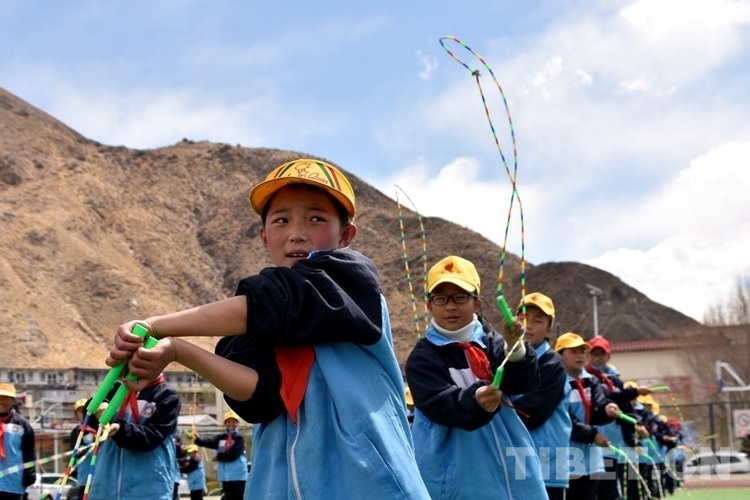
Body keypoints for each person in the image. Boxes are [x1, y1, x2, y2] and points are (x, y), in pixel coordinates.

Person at [105, 159, 430, 499]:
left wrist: (154, 325)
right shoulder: (257, 319)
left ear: (346, 236)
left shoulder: (352, 282)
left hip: (369, 486)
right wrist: (176, 350)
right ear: (264, 236)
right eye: (281, 220)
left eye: (316, 218)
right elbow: (260, 396)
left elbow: (278, 301)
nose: (297, 232)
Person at [405, 255, 546, 499]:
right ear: (429, 305)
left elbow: (525, 381)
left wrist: (515, 348)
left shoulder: (495, 344)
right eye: (440, 298)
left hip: (513, 466)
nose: (450, 306)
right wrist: (476, 400)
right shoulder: (423, 357)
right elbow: (438, 404)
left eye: (460, 297)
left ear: (477, 303)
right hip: (458, 475)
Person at [509, 292, 572, 500]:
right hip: (516, 459)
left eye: (538, 321)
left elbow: (532, 413)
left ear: (549, 331)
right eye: (524, 318)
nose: (528, 326)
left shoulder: (553, 364)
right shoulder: (507, 358)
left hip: (547, 465)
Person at [86, 375, 181, 500]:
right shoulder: (116, 388)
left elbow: (152, 436)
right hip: (105, 487)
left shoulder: (166, 394)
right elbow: (89, 417)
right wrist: (97, 409)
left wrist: (120, 430)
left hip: (148, 489)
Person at [555, 333, 620, 500]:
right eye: (573, 352)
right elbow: (564, 419)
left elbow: (597, 410)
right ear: (559, 355)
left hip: (590, 459)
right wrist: (592, 435)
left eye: (582, 352)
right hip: (565, 458)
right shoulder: (556, 383)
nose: (580, 356)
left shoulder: (590, 381)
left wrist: (607, 409)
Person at [586, 336, 651, 500]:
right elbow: (609, 398)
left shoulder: (614, 381)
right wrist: (635, 392)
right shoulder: (587, 379)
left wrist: (637, 424)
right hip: (592, 443)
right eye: (594, 354)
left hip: (612, 446)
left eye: (601, 354)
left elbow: (625, 408)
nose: (597, 358)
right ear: (588, 355)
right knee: (593, 491)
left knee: (611, 492)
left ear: (608, 356)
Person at [194, 411, 247, 500]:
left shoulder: (239, 438)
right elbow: (210, 442)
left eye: (233, 421)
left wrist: (219, 457)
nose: (231, 424)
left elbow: (234, 454)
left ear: (237, 423)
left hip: (238, 475)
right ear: (225, 423)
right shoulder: (221, 437)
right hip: (225, 476)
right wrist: (198, 440)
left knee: (239, 497)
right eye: (229, 421)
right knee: (228, 497)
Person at [0, 383, 35, 500]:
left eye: (5, 398)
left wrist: (29, 474)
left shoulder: (22, 424)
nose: (1, 401)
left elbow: (29, 452)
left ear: (12, 401)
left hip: (13, 484)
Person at [69, 398, 100, 498]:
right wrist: (84, 449)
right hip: (84, 475)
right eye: (80, 411)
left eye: (86, 410)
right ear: (76, 415)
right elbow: (75, 452)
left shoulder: (100, 428)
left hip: (100, 473)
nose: (85, 414)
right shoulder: (76, 432)